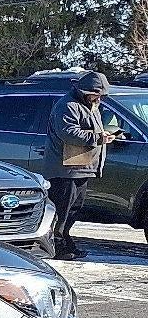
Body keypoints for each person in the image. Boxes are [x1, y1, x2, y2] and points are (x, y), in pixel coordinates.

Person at [44, 71, 126, 260]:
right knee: (61, 210)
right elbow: (68, 133)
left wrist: (106, 134)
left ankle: (65, 241)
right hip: (66, 169)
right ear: (86, 90)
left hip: (82, 166)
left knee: (74, 208)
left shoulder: (91, 105)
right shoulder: (68, 105)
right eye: (97, 94)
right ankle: (56, 245)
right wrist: (98, 138)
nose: (99, 98)